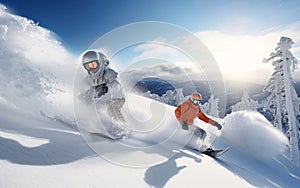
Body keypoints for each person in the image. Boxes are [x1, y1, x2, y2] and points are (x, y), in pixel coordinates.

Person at [80, 50, 125, 122]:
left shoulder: (109, 72)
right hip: (104, 98)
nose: (91, 69)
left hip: (117, 97)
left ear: (99, 62)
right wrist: (83, 95)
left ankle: (122, 127)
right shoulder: (89, 77)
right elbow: (82, 86)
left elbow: (116, 85)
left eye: (93, 65)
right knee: (91, 105)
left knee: (111, 109)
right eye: (88, 66)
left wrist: (106, 88)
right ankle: (94, 123)